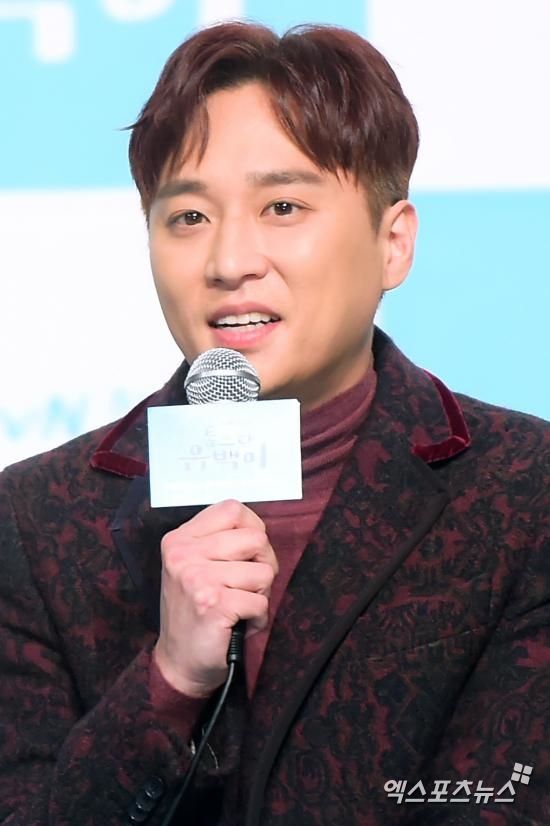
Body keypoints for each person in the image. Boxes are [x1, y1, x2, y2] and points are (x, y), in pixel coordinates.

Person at [0, 19, 548, 826]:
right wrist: (166, 685)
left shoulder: (524, 492)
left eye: (283, 206)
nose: (229, 262)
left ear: (394, 243)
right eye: (188, 218)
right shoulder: (34, 519)